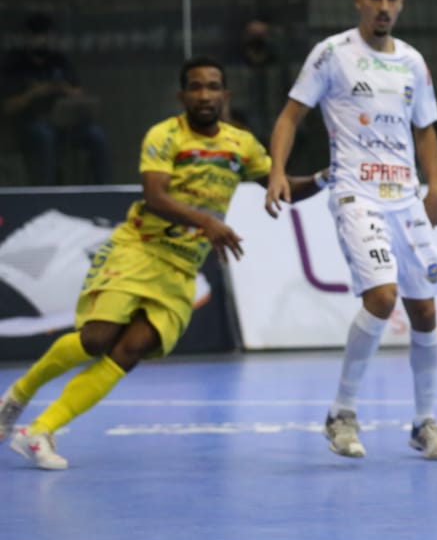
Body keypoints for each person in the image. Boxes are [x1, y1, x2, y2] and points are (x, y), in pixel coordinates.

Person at [1, 57, 321, 468]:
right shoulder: (164, 135)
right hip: (138, 250)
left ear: (226, 95)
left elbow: (283, 187)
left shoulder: (242, 146)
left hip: (182, 268)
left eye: (212, 87)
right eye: (196, 87)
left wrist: (327, 178)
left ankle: (39, 432)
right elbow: (156, 196)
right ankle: (16, 396)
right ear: (182, 95)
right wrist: (209, 223)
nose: (204, 95)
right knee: (98, 338)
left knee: (130, 351)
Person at [265, 0, 437, 462]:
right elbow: (290, 115)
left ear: (401, 4)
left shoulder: (412, 61)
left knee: (426, 308)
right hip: (355, 192)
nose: (384, 7)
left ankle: (424, 422)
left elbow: (426, 130)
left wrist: (434, 187)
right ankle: (341, 412)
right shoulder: (332, 54)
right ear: (359, 1)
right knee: (382, 296)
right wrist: (276, 171)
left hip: (406, 197)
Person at [1, 12, 111, 186]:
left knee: (96, 135)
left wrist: (62, 88)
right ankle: (48, 192)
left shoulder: (58, 61)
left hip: (64, 125)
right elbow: (7, 107)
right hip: (30, 127)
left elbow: (81, 95)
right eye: (39, 35)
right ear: (28, 37)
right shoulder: (16, 63)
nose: (44, 40)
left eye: (48, 35)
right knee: (45, 135)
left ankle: (103, 189)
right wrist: (34, 93)